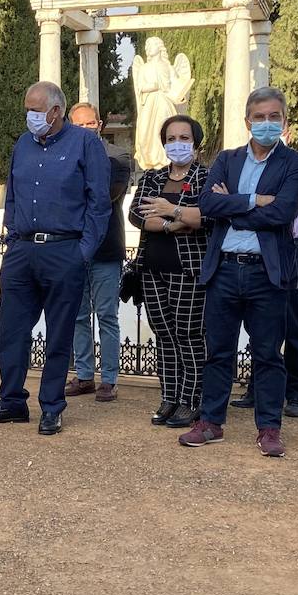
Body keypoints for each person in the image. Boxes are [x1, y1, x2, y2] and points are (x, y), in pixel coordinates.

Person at [0, 82, 110, 435]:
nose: (31, 117)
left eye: (36, 111)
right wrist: (12, 238)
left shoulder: (85, 143)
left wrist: (83, 252)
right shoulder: (23, 144)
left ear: (56, 111)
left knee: (59, 333)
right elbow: (13, 195)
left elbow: (99, 203)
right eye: (28, 111)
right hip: (23, 250)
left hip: (65, 250)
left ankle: (51, 406)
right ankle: (12, 401)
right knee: (11, 330)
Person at [178, 88, 298, 454]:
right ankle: (211, 421)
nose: (267, 123)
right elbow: (206, 203)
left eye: (274, 117)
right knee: (218, 351)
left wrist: (230, 205)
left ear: (283, 121)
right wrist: (253, 201)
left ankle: (269, 428)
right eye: (259, 117)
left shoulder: (294, 163)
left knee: (268, 353)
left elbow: (282, 214)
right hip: (223, 270)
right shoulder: (227, 159)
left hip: (265, 273)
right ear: (247, 120)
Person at [129, 115, 210, 429]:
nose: (177, 144)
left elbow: (208, 215)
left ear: (196, 142)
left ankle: (192, 400)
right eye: (171, 138)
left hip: (189, 271)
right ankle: (170, 396)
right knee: (164, 335)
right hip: (151, 268)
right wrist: (173, 221)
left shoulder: (206, 176)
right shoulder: (152, 177)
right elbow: (138, 214)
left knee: (188, 336)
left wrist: (172, 210)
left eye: (184, 138)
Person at [232, 143, 298, 417]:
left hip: (290, 248)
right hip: (257, 246)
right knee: (262, 326)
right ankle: (258, 388)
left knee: (292, 321)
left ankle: (296, 391)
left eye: (274, 119)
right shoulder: (247, 166)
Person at [66, 103, 132, 402]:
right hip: (74, 247)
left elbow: (102, 197)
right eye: (77, 126)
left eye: (89, 124)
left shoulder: (117, 156)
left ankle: (109, 379)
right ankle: (83, 376)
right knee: (78, 316)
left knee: (106, 315)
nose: (84, 130)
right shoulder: (62, 156)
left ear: (100, 125)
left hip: (105, 247)